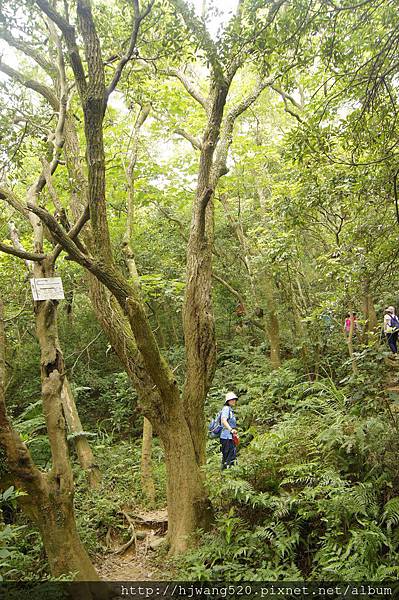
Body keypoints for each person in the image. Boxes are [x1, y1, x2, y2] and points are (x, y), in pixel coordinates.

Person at [220, 391, 238, 469]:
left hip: (230, 437)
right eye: (232, 399)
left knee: (230, 457)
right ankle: (226, 475)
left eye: (234, 399)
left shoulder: (230, 410)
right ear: (228, 401)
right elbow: (223, 420)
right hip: (226, 437)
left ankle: (228, 475)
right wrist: (231, 430)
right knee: (228, 458)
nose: (234, 401)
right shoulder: (226, 409)